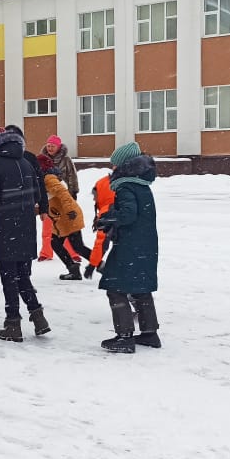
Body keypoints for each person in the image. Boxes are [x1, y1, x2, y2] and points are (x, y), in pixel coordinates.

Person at [0, 126, 50, 341]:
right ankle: (38, 317)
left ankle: (13, 323)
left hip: (6, 227)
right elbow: (38, 193)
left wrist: (6, 201)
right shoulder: (26, 162)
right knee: (22, 276)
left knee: (8, 277)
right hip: (27, 226)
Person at [95, 141, 160, 353]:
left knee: (115, 287)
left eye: (115, 164)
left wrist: (108, 218)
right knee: (140, 288)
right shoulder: (142, 184)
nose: (112, 168)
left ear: (124, 165)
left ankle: (124, 336)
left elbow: (128, 214)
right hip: (146, 243)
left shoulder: (125, 186)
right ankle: (150, 333)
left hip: (130, 244)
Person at [36, 152, 92, 280]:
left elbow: (64, 194)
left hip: (69, 216)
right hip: (60, 219)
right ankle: (73, 269)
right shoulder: (43, 179)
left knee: (78, 247)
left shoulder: (48, 178)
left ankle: (103, 266)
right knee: (55, 243)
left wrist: (69, 210)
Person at [39, 135, 81, 264]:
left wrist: (73, 193)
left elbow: (72, 176)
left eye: (53, 146)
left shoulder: (66, 159)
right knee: (47, 227)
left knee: (66, 226)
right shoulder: (41, 159)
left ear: (58, 147)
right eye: (48, 145)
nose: (50, 148)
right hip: (48, 198)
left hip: (63, 196)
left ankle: (72, 253)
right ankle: (46, 252)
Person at [85, 174, 116, 280]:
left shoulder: (107, 213)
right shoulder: (119, 206)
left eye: (95, 195)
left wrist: (92, 265)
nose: (94, 199)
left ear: (103, 194)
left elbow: (101, 243)